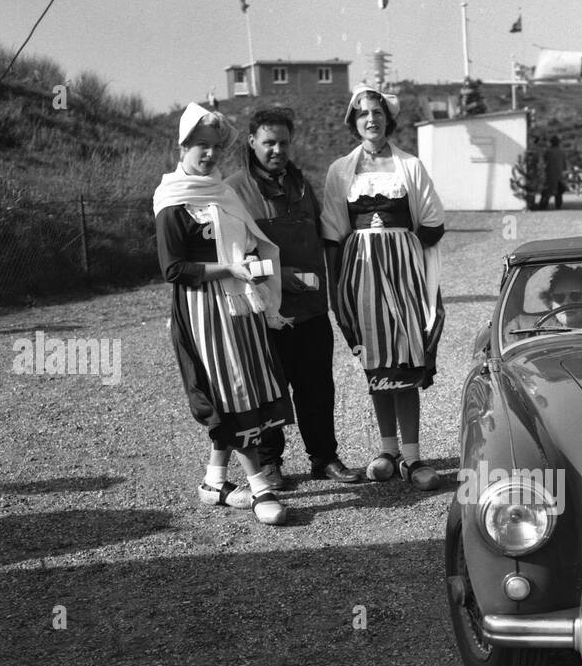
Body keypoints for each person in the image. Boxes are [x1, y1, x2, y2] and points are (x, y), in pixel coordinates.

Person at [153, 103, 292, 526]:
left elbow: (246, 244)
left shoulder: (222, 192)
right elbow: (173, 268)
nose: (209, 154)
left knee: (247, 384)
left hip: (239, 303)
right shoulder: (172, 198)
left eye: (215, 147)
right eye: (200, 145)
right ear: (183, 145)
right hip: (202, 309)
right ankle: (260, 488)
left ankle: (215, 481)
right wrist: (227, 268)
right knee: (231, 392)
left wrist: (249, 264)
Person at [226, 108, 362, 490]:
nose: (277, 150)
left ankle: (324, 458)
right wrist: (276, 275)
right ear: (252, 142)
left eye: (284, 142)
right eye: (269, 142)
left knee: (317, 387)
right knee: (269, 389)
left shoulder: (301, 185)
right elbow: (230, 253)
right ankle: (270, 464)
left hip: (311, 308)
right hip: (264, 310)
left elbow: (325, 234)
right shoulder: (234, 189)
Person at [322, 85, 446, 491]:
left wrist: (398, 245)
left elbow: (432, 221)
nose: (370, 120)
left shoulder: (410, 166)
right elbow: (335, 231)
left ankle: (412, 456)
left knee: (406, 359)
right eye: (362, 115)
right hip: (362, 275)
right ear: (353, 122)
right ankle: (387, 450)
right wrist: (341, 283)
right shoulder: (341, 170)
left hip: (404, 274)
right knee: (376, 361)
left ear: (388, 120)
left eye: (376, 113)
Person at [540, 135, 568, 210]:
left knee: (547, 191)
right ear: (559, 143)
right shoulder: (562, 152)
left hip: (549, 174)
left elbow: (544, 162)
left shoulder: (548, 151)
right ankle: (558, 205)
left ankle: (543, 205)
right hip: (559, 174)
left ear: (551, 143)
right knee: (559, 191)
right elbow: (564, 164)